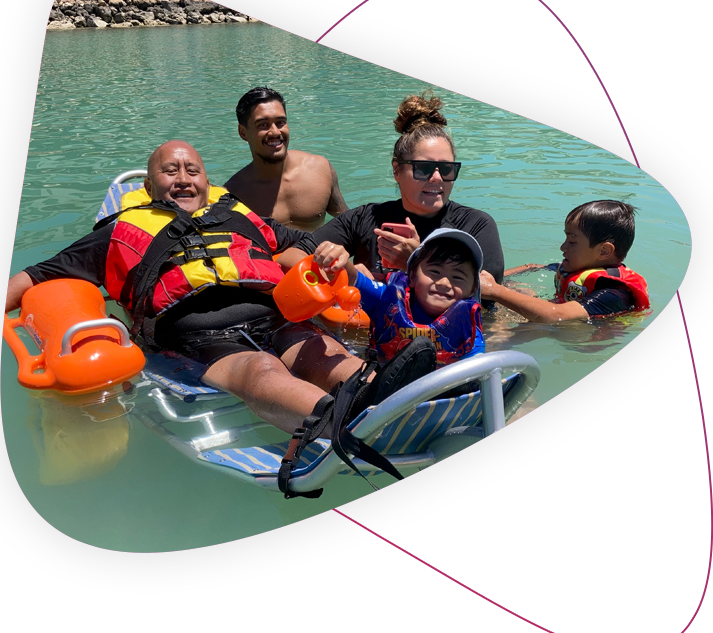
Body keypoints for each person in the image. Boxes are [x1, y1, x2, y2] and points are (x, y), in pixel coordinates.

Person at [5, 141, 425, 441]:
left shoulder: (239, 215)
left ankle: (387, 394)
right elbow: (34, 277)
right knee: (261, 370)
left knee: (320, 351)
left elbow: (301, 245)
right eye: (170, 171)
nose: (183, 179)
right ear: (149, 188)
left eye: (193, 170)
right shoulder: (119, 232)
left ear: (208, 181)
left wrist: (333, 256)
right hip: (199, 337)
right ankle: (342, 420)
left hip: (276, 316)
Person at [313, 91, 505, 283]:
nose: (437, 178)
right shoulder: (366, 219)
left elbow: (483, 300)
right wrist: (337, 265)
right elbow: (300, 251)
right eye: (424, 169)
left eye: (447, 169)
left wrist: (414, 262)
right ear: (397, 170)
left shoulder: (475, 226)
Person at [314, 228, 485, 366]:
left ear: (473, 289)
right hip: (381, 381)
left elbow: (473, 372)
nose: (444, 283)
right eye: (434, 272)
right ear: (412, 277)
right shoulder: (386, 299)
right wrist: (339, 259)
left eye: (458, 277)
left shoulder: (467, 327)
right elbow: (352, 278)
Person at [479, 200, 650, 322]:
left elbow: (555, 315)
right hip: (557, 314)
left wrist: (494, 289)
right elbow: (532, 267)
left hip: (583, 339)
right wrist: (493, 278)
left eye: (572, 242)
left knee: (501, 330)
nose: (563, 247)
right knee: (516, 288)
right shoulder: (576, 268)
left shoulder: (612, 293)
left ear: (604, 251)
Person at [224, 87, 349, 232]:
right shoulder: (234, 194)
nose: (275, 132)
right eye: (263, 125)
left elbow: (350, 224)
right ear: (243, 132)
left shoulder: (320, 170)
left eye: (280, 122)